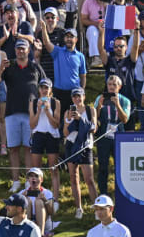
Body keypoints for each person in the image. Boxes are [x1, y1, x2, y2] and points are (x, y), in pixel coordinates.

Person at [0, 39, 45, 193]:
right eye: (18, 49)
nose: (21, 51)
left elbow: (45, 86)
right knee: (14, 148)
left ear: (28, 50)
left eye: (23, 49)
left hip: (31, 114)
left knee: (29, 148)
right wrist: (1, 68)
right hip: (12, 112)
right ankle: (15, 181)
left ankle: (29, 182)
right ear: (15, 51)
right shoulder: (9, 67)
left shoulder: (35, 67)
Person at [64, 87, 98, 219]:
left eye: (79, 96)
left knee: (89, 179)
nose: (77, 99)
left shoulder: (90, 110)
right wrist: (70, 120)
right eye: (74, 97)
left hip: (85, 146)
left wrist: (80, 119)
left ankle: (96, 208)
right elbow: (66, 133)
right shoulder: (69, 111)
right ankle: (78, 208)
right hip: (72, 145)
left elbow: (93, 128)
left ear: (84, 97)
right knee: (74, 177)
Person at [93, 75, 130, 195]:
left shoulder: (125, 100)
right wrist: (99, 106)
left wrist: (118, 105)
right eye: (110, 84)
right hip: (104, 135)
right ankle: (103, 193)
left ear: (119, 87)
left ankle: (119, 192)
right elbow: (95, 118)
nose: (112, 87)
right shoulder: (100, 97)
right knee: (103, 166)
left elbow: (125, 120)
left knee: (119, 166)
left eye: (114, 85)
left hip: (119, 136)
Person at [40, 25, 87, 117]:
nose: (69, 39)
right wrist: (44, 28)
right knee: (58, 117)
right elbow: (46, 42)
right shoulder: (58, 51)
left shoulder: (80, 56)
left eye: (71, 37)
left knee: (73, 117)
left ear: (76, 39)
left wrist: (82, 90)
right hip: (59, 93)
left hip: (74, 94)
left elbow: (83, 75)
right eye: (67, 37)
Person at [28, 78, 61, 201]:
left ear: (50, 90)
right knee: (36, 170)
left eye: (46, 88)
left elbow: (56, 124)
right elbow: (32, 124)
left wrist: (47, 111)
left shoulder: (55, 102)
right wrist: (38, 111)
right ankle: (36, 197)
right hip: (38, 135)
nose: (44, 90)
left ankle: (55, 199)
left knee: (53, 168)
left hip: (51, 136)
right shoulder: (33, 102)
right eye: (42, 87)